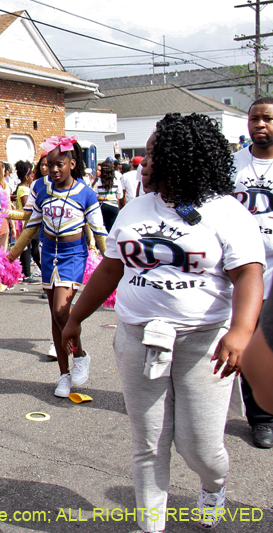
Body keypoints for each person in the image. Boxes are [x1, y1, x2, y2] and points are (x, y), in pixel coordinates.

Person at [62, 112, 265, 533]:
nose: (143, 163)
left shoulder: (225, 212)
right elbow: (109, 269)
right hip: (138, 337)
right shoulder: (134, 208)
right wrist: (75, 317)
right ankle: (150, 525)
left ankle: (214, 484)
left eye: (152, 154)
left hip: (204, 342)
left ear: (179, 158)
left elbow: (248, 274)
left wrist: (241, 333)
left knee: (200, 448)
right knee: (149, 444)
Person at [6, 136, 107, 397]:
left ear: (72, 164)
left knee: (63, 311)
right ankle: (63, 374)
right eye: (49, 165)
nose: (53, 170)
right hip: (48, 252)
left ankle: (81, 354)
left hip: (73, 254)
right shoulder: (41, 189)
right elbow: (32, 225)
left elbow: (98, 230)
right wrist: (12, 254)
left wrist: (111, 260)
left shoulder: (86, 194)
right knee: (54, 314)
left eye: (59, 164)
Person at [232, 96, 273, 448]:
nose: (260, 125)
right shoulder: (233, 166)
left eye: (268, 119)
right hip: (247, 268)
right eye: (254, 119)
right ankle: (261, 418)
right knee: (253, 342)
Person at [13, 160, 39, 283]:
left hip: (29, 222)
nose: (33, 176)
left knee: (30, 248)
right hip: (27, 223)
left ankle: (27, 273)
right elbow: (26, 208)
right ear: (27, 176)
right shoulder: (23, 189)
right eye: (32, 174)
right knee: (27, 249)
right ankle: (26, 274)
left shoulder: (23, 188)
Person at [94, 158, 123, 231]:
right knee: (111, 229)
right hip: (113, 206)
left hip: (102, 206)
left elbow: (95, 194)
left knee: (102, 228)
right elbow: (120, 195)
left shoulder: (98, 181)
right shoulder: (116, 180)